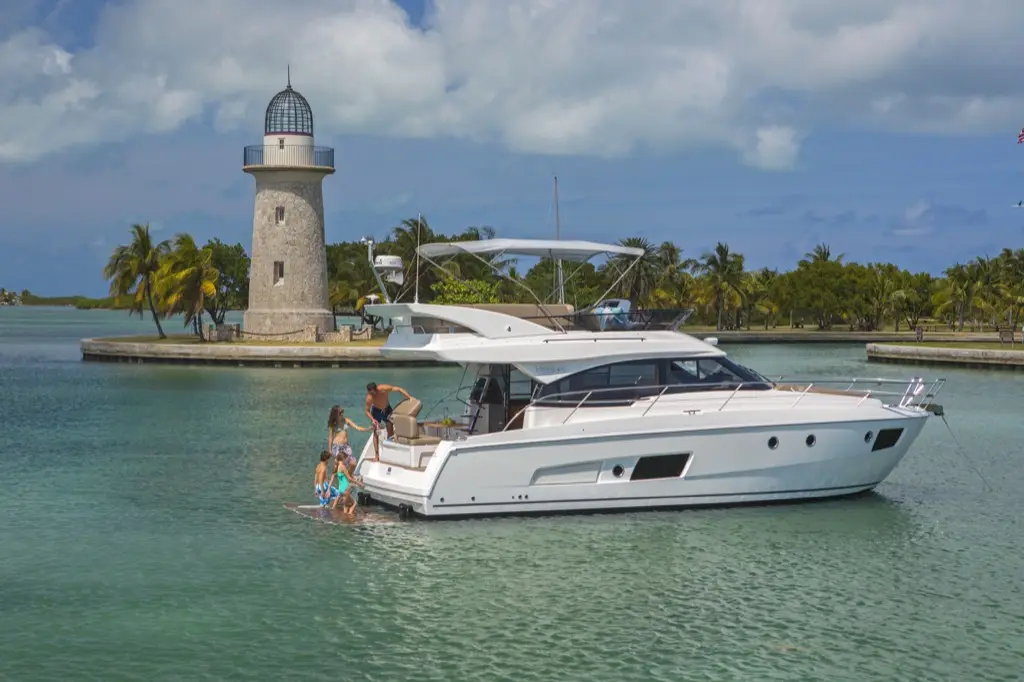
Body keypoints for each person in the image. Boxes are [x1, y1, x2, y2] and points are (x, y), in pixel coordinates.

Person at [365, 382, 412, 458]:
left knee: (390, 431)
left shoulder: (384, 388)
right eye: (370, 393)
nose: (372, 395)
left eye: (373, 393)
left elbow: (399, 389)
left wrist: (409, 397)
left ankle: (389, 451)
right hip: (376, 411)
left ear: (376, 389)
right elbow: (367, 410)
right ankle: (377, 455)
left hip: (387, 409)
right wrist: (373, 419)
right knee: (375, 432)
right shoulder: (369, 398)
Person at [328, 405, 371, 474]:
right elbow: (330, 437)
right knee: (337, 467)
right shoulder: (333, 424)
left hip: (346, 447)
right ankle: (336, 479)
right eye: (340, 412)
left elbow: (358, 428)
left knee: (353, 464)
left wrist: (368, 429)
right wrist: (330, 450)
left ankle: (348, 477)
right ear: (335, 414)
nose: (342, 414)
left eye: (342, 411)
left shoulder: (346, 420)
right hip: (337, 447)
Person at [331, 450, 364, 516]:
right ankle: (349, 515)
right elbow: (349, 478)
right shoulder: (343, 467)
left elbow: (342, 478)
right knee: (354, 503)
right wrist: (359, 483)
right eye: (346, 459)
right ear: (343, 458)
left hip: (341, 489)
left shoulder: (338, 466)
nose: (346, 460)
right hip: (345, 488)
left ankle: (343, 516)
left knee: (344, 506)